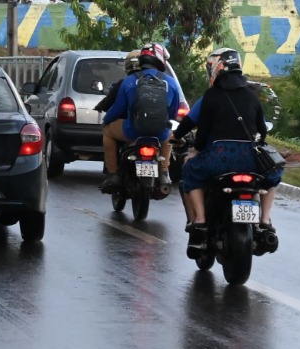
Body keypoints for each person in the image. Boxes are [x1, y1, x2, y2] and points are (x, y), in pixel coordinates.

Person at [175, 48, 283, 257]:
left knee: (190, 172)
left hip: (218, 157)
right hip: (249, 159)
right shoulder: (252, 96)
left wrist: (196, 151)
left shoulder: (210, 96)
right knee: (272, 175)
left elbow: (202, 133)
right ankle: (265, 220)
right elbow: (261, 130)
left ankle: (199, 222)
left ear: (216, 68)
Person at [99, 44, 186, 195]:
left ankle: (113, 174)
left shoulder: (130, 81)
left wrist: (107, 120)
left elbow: (118, 109)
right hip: (160, 134)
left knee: (108, 132)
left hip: (132, 131)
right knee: (168, 136)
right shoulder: (171, 83)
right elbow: (173, 114)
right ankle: (164, 173)